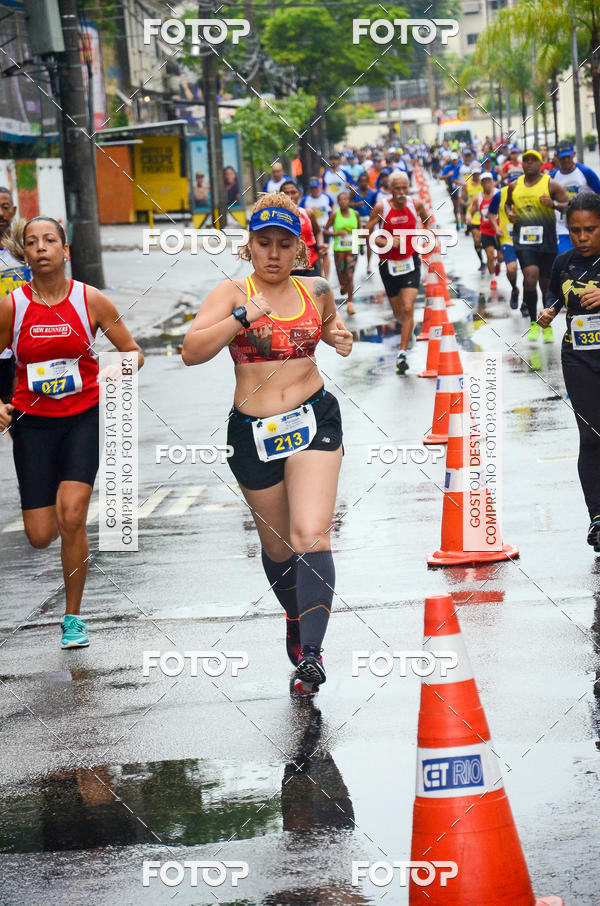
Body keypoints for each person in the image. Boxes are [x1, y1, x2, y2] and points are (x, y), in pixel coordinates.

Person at [181, 193, 353, 694]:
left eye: (284, 244)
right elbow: (191, 352)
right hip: (252, 432)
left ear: (298, 249)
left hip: (313, 418)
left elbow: (332, 330)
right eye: (264, 243)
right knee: (278, 548)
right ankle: (296, 618)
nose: (273, 254)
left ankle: (314, 656)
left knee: (310, 535)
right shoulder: (231, 292)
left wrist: (341, 339)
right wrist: (241, 317)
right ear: (249, 247)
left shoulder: (316, 289)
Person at [0, 216, 143, 648]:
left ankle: (73, 618)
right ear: (24, 254)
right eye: (31, 242)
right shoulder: (11, 306)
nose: (40, 247)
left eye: (49, 240)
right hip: (32, 424)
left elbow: (132, 350)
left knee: (73, 514)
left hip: (81, 417)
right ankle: (63, 552)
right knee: (41, 534)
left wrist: (123, 369)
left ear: (65, 250)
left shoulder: (91, 300)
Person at [538, 193, 600, 551]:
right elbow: (554, 297)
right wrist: (547, 313)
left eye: (590, 229)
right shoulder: (563, 262)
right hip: (579, 358)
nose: (582, 237)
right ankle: (597, 516)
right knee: (592, 436)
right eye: (575, 230)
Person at [367, 172, 429, 374]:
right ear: (391, 189)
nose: (402, 193)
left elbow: (427, 221)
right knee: (398, 312)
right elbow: (367, 232)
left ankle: (402, 353)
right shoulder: (381, 208)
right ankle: (407, 329)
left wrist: (423, 237)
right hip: (388, 263)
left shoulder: (416, 204)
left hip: (410, 262)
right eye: (397, 189)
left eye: (405, 188)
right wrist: (386, 242)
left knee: (408, 305)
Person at [506, 149, 569, 341]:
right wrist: (510, 213)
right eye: (526, 160)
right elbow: (508, 204)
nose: (529, 163)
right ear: (522, 164)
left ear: (541, 164)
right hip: (524, 242)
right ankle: (533, 322)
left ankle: (546, 324)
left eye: (534, 160)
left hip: (547, 241)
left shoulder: (550, 184)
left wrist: (553, 205)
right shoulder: (514, 186)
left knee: (546, 285)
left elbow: (568, 204)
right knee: (530, 277)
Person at [0, 188, 31, 402]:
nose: (0, 213)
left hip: (20, 347)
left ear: (14, 210)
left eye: (5, 207)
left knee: (17, 414)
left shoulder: (25, 251)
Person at [550, 140, 600, 254]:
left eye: (568, 156)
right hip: (562, 229)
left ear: (574, 154)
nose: (566, 160)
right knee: (565, 258)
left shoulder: (585, 172)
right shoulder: (552, 177)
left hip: (587, 226)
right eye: (563, 158)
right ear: (557, 157)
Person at [488, 167, 522, 309]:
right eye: (512, 179)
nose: (514, 182)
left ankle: (526, 302)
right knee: (511, 269)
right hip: (507, 238)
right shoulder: (500, 195)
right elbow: (490, 213)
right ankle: (514, 289)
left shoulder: (528, 193)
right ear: (508, 180)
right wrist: (496, 227)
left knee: (530, 274)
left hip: (527, 238)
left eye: (517, 179)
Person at [324, 191, 359, 314]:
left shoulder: (355, 214)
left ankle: (350, 303)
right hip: (339, 249)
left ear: (349, 201)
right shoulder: (334, 215)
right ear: (338, 202)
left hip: (353, 248)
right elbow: (325, 231)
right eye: (341, 200)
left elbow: (360, 231)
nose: (343, 202)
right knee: (341, 273)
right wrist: (337, 233)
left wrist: (362, 245)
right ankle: (342, 285)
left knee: (350, 275)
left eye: (346, 199)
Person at [281, 179, 324, 278]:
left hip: (310, 263)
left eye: (293, 192)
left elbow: (318, 232)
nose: (290, 196)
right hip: (287, 268)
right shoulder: (275, 218)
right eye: (286, 193)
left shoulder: (308, 213)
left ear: (299, 194)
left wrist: (320, 245)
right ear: (280, 196)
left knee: (313, 292)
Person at [299, 178, 334, 280]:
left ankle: (326, 279)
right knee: (317, 254)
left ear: (320, 187)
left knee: (325, 252)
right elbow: (300, 212)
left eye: (316, 188)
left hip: (324, 229)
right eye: (312, 188)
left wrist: (331, 223)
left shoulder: (326, 197)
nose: (314, 190)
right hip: (313, 229)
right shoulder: (305, 199)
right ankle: (320, 275)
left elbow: (333, 207)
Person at [468, 172, 500, 280]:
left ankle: (499, 262)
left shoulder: (499, 194)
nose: (487, 183)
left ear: (492, 182)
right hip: (486, 230)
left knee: (501, 257)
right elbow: (471, 212)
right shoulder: (478, 198)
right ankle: (493, 279)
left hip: (499, 229)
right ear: (481, 184)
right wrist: (468, 217)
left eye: (489, 181)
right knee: (489, 255)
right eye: (484, 181)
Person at [350, 172, 377, 275]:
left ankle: (368, 265)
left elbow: (376, 205)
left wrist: (373, 211)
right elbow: (348, 204)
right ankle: (353, 263)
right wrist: (356, 204)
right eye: (362, 181)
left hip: (369, 220)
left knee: (369, 241)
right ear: (359, 182)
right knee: (357, 241)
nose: (364, 183)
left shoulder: (372, 193)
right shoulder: (354, 192)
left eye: (366, 181)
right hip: (357, 219)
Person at [462, 165, 484, 270]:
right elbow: (461, 199)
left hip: (484, 215)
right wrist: (466, 203)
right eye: (474, 174)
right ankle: (481, 261)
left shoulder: (484, 184)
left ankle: (489, 254)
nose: (476, 176)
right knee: (476, 240)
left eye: (478, 174)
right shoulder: (467, 185)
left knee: (485, 239)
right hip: (472, 216)